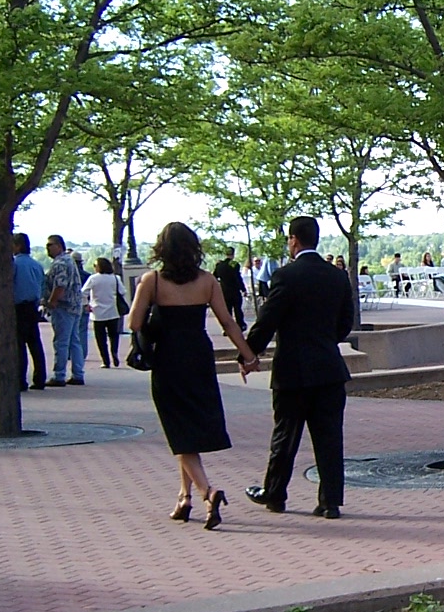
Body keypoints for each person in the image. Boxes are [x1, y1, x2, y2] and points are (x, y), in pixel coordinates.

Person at [131, 222, 257, 530]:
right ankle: (183, 497)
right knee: (187, 427)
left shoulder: (153, 281)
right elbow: (227, 322)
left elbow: (134, 321)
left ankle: (207, 492)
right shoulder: (208, 281)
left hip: (168, 357)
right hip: (199, 356)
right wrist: (249, 355)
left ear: (162, 249)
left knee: (178, 429)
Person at [244, 215, 355, 518]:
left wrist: (248, 353)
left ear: (294, 239)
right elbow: (346, 322)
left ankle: (275, 494)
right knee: (330, 438)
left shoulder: (285, 276)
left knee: (285, 435)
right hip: (329, 369)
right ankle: (330, 501)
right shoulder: (337, 277)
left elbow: (268, 320)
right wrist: (324, 340)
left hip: (292, 371)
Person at [43, 235, 85, 386]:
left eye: (50, 245)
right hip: (75, 305)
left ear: (59, 246)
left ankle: (59, 374)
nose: (47, 248)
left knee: (61, 341)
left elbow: (60, 285)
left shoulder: (60, 263)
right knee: (74, 340)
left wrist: (52, 301)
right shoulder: (69, 260)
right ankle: (78, 373)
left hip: (63, 306)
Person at [12, 233, 48, 391]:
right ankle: (40, 378)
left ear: (17, 246)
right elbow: (42, 285)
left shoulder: (14, 264)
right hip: (32, 307)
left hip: (18, 307)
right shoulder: (36, 265)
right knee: (35, 344)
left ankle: (20, 380)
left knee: (19, 346)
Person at [83, 257, 125, 368]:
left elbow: (83, 292)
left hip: (97, 312)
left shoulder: (93, 279)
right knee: (113, 335)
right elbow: (123, 291)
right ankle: (114, 352)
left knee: (100, 338)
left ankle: (105, 360)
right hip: (113, 311)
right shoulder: (115, 278)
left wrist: (86, 304)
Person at [212, 246, 247, 331]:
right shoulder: (234, 264)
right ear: (233, 254)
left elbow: (214, 277)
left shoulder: (220, 265)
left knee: (227, 311)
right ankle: (240, 325)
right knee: (238, 309)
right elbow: (238, 278)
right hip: (234, 291)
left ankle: (227, 328)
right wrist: (243, 289)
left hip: (224, 291)